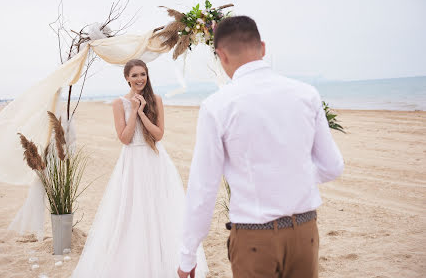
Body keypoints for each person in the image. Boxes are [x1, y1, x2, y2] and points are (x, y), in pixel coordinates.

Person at [177, 16, 344, 278]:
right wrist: (291, 174)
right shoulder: (306, 94)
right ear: (263, 48)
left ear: (221, 56)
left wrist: (187, 254)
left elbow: (203, 188)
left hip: (254, 238)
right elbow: (333, 167)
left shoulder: (217, 106)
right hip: (305, 233)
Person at [71, 59, 208, 278]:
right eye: (134, 75)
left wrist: (143, 112)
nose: (139, 79)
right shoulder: (119, 103)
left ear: (147, 75)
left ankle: (164, 260)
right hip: (132, 161)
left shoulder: (156, 100)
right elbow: (124, 138)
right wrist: (133, 111)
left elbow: (159, 134)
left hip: (155, 160)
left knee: (160, 209)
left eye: (142, 74)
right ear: (127, 78)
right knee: (132, 210)